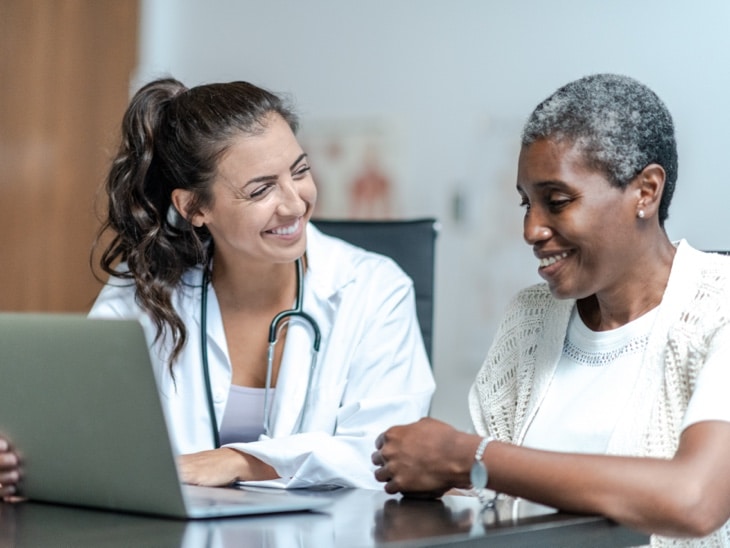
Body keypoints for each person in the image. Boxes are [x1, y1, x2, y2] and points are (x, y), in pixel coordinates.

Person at [0, 77, 434, 497]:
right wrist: (21, 461)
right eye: (261, 189)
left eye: (299, 171)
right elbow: (75, 428)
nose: (294, 202)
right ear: (193, 207)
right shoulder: (146, 292)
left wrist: (236, 461)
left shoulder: (374, 288)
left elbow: (388, 453)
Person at [372, 73, 730, 546]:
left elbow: (695, 500)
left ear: (646, 191)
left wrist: (469, 457)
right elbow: (486, 495)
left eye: (557, 202)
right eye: (527, 204)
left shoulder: (716, 308)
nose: (532, 230)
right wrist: (442, 473)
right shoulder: (530, 320)